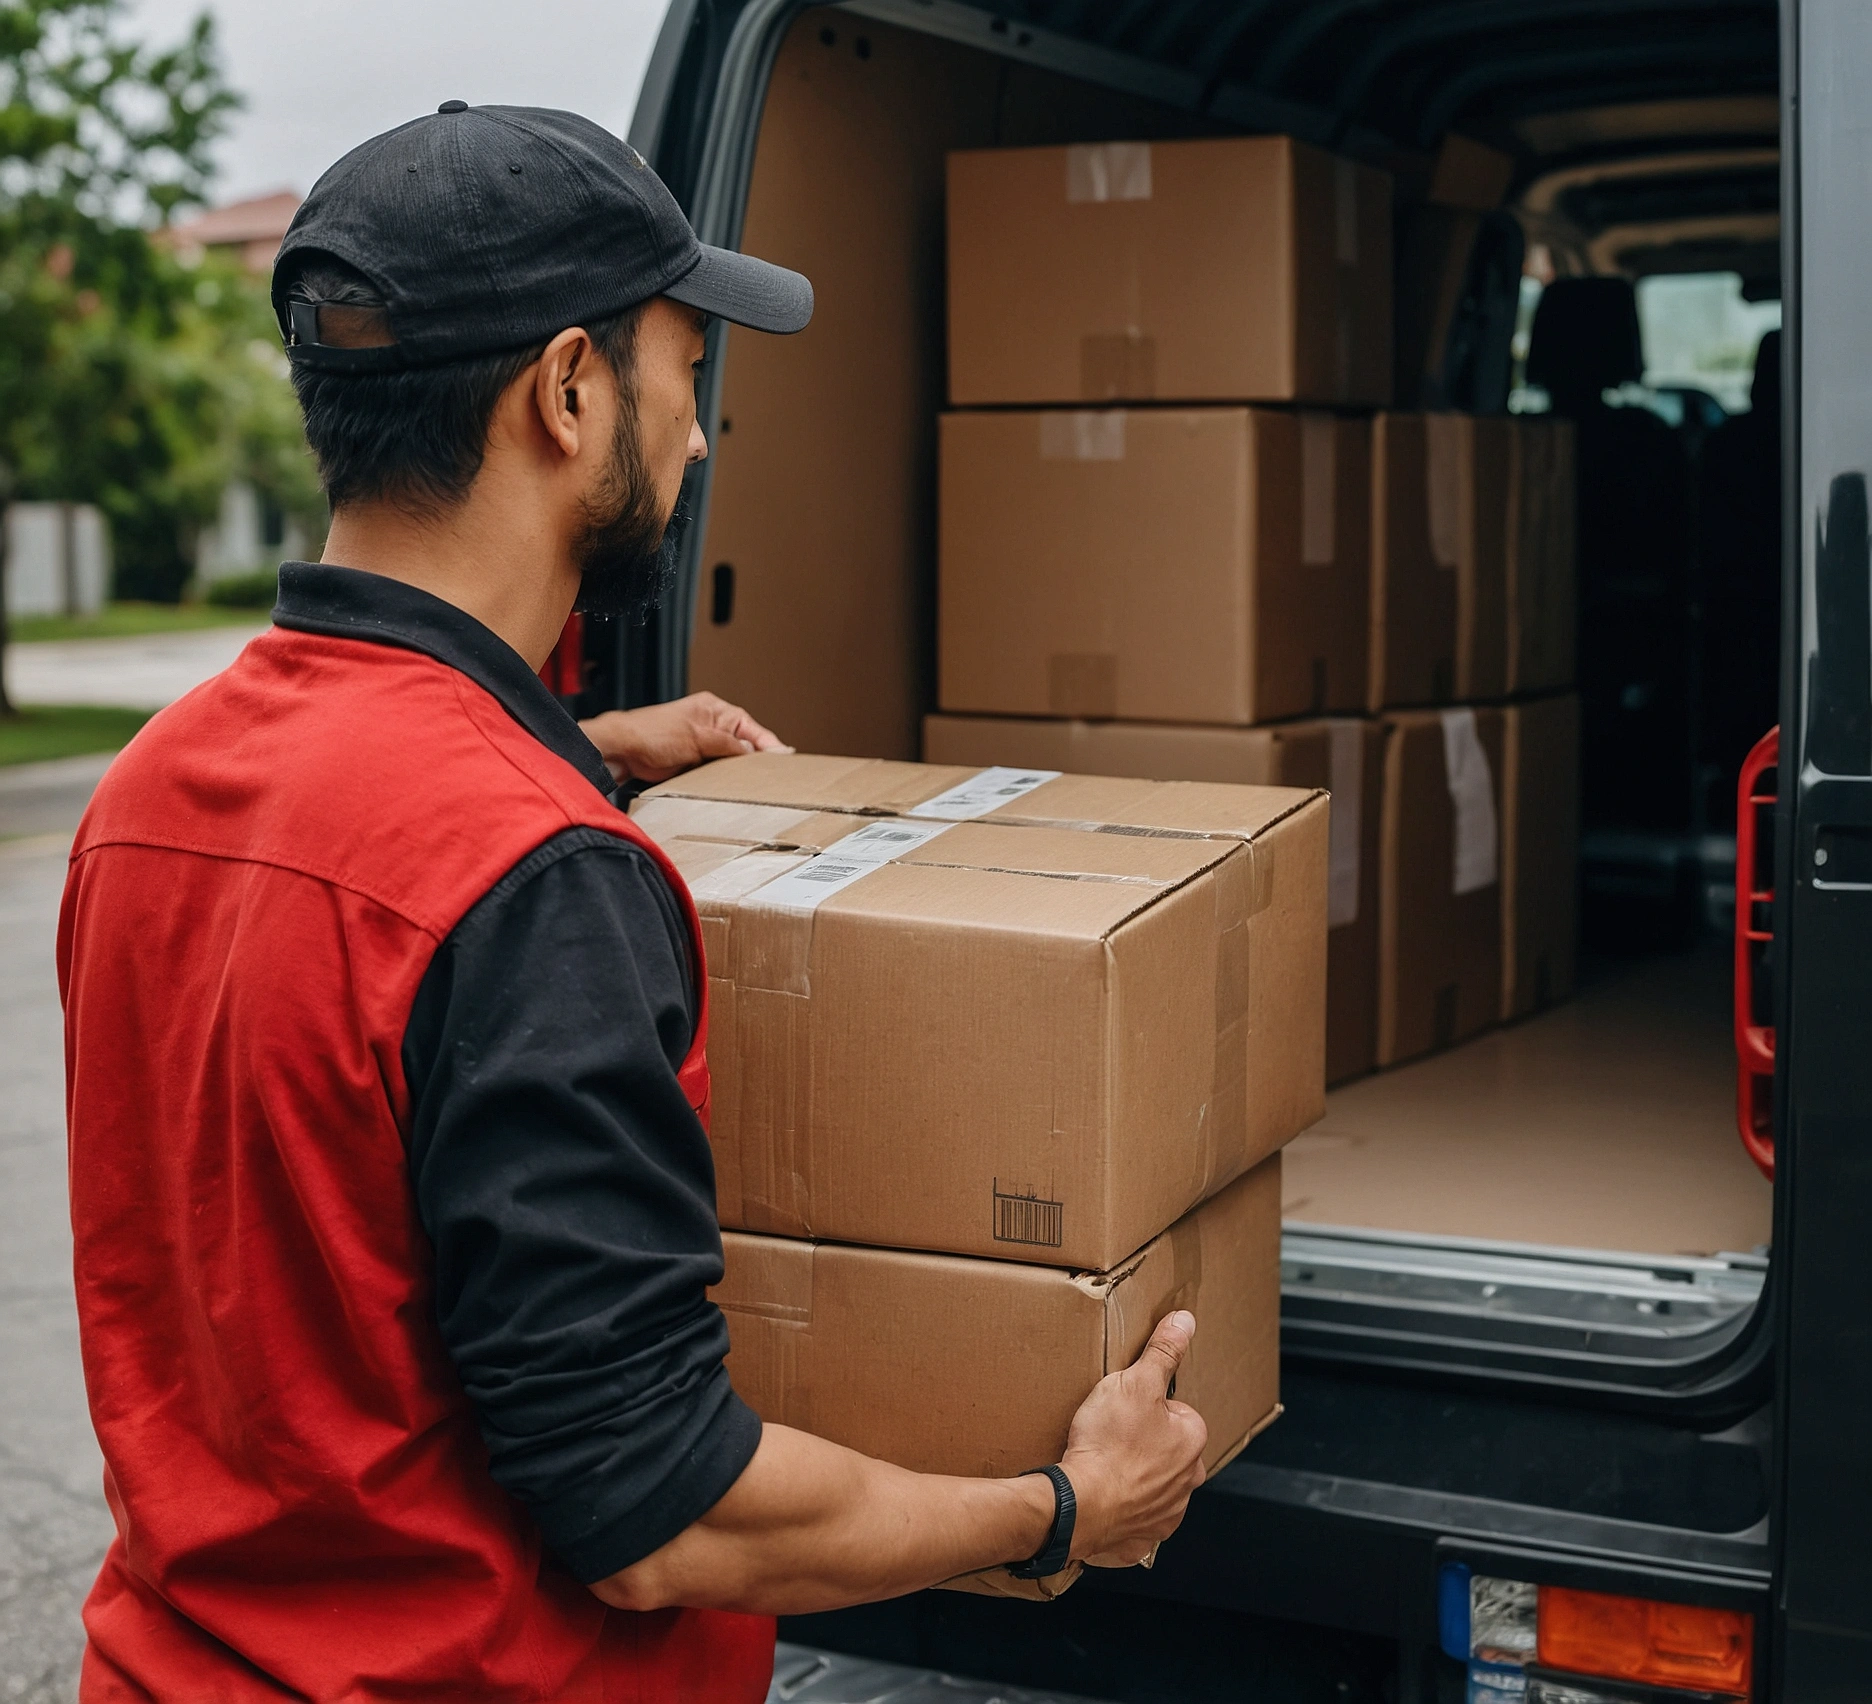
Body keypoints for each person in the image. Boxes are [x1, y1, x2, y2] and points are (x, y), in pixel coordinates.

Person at [58, 104, 1207, 1702]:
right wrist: (1066, 1510)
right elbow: (657, 1514)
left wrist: (566, 750)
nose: (698, 435)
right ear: (571, 388)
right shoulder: (537, 885)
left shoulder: (156, 791)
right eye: (689, 373)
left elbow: (361, 869)